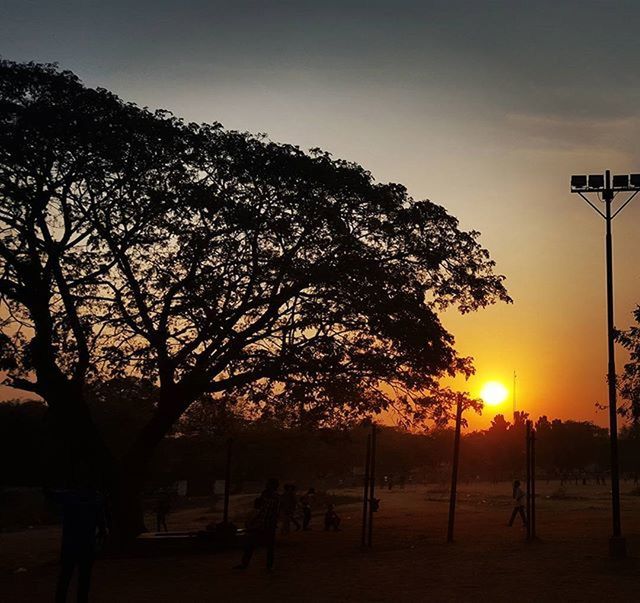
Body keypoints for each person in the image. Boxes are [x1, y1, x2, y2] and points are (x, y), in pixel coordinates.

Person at [54, 486, 107, 603]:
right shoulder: (96, 499)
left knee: (65, 577)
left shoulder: (69, 497)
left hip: (70, 545)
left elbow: (50, 495)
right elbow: (102, 526)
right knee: (84, 579)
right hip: (87, 545)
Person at [235, 478, 280, 571]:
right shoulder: (274, 497)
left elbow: (259, 510)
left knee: (252, 544)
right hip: (266, 524)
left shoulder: (269, 496)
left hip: (263, 524)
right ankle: (268, 566)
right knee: (266, 547)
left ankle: (246, 564)